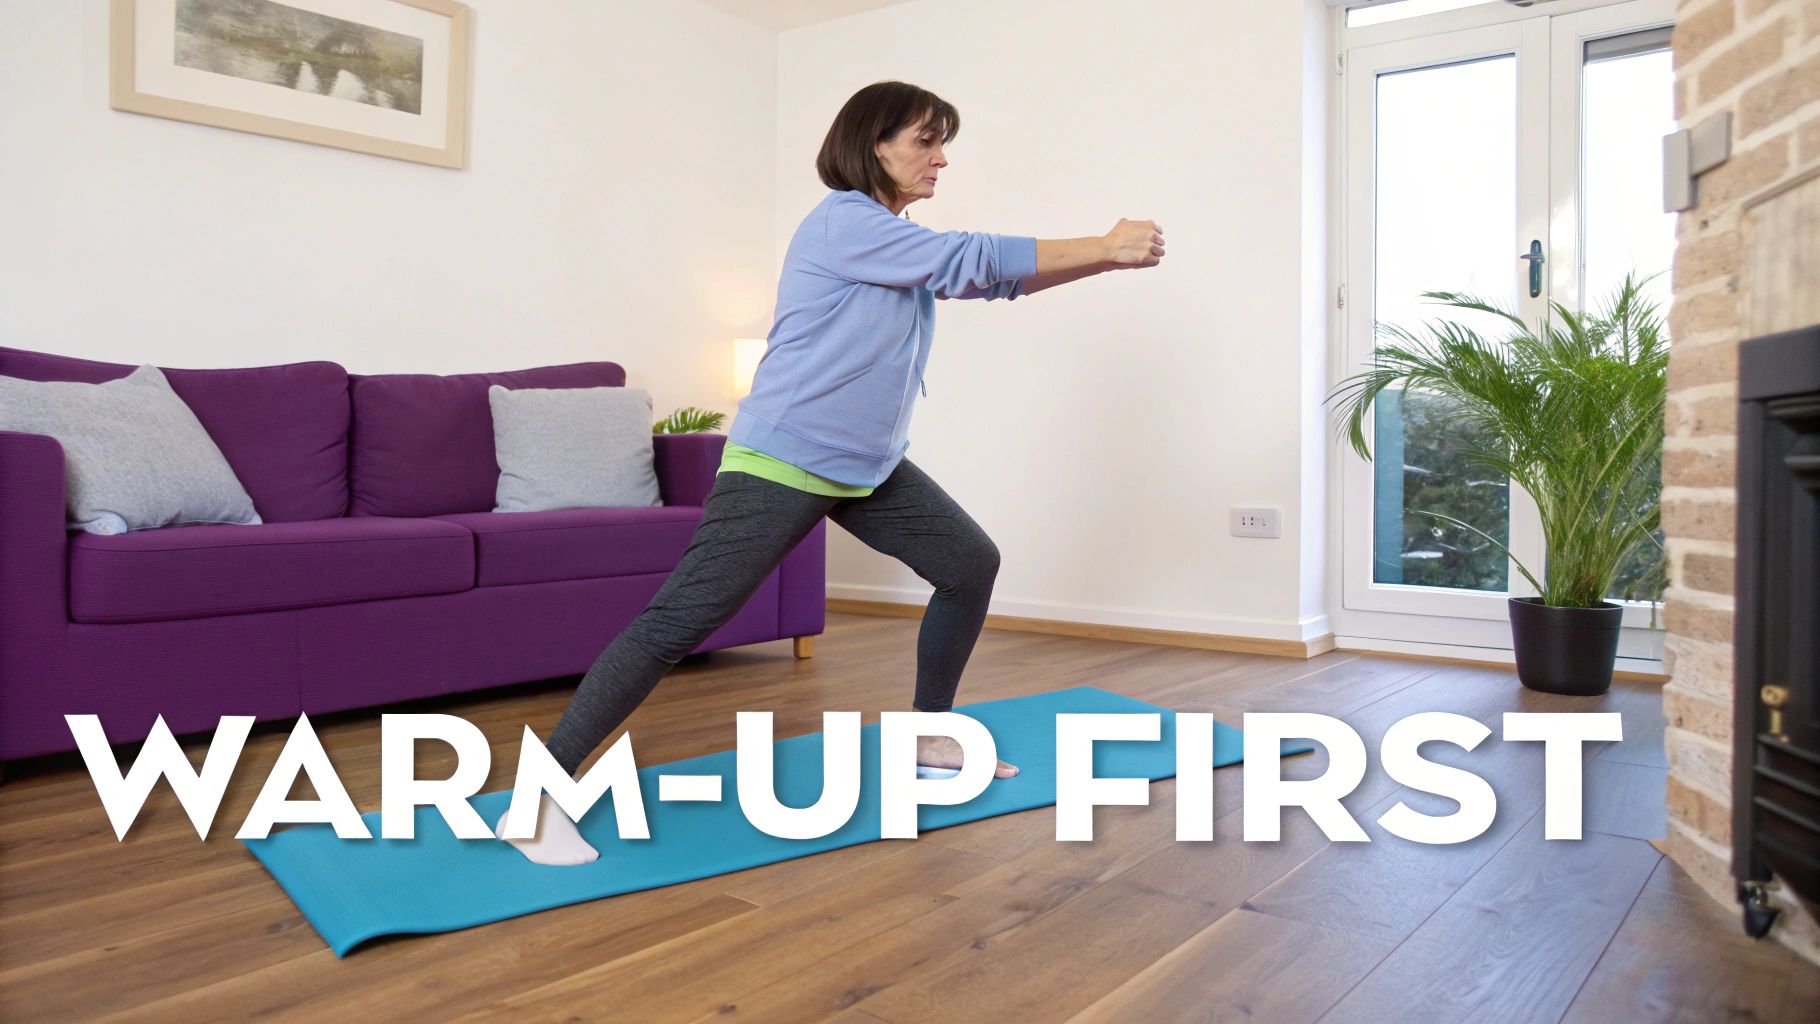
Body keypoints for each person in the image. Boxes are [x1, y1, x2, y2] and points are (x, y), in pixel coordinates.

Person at [498, 80, 1166, 865]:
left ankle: (927, 740)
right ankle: (536, 797)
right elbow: (967, 260)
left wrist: (1106, 263)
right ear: (873, 144)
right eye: (926, 140)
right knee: (679, 623)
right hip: (785, 459)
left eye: (941, 142)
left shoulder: (890, 237)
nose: (940, 159)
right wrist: (1102, 241)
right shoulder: (844, 224)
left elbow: (993, 278)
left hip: (866, 467)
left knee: (967, 563)